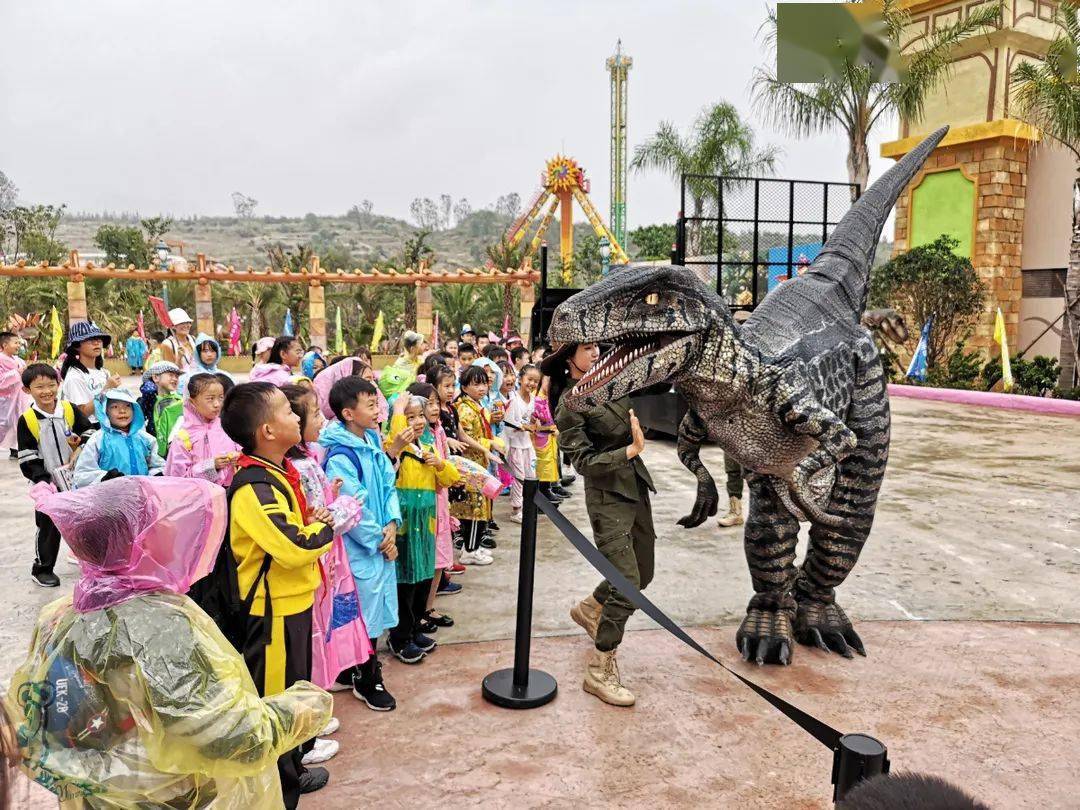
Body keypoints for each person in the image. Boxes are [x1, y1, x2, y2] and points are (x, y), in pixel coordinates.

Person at [4, 476, 332, 809]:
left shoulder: (58, 617)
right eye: (158, 524)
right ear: (139, 544)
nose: (173, 531)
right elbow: (230, 737)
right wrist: (303, 706)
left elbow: (41, 728)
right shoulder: (159, 627)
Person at [219, 382, 336, 804]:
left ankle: (292, 769)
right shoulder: (255, 486)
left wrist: (312, 524)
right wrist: (326, 525)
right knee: (274, 703)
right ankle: (279, 791)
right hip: (272, 615)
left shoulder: (276, 471)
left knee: (291, 692)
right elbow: (295, 546)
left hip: (291, 605)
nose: (298, 416)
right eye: (289, 410)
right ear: (267, 430)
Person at [544, 341, 656, 708]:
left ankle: (592, 608)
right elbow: (584, 462)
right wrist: (629, 450)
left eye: (597, 347)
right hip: (608, 500)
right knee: (628, 585)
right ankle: (600, 668)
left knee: (645, 573)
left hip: (635, 488)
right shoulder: (569, 405)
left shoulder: (609, 384)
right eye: (588, 348)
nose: (596, 353)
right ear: (568, 356)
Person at [280, 384, 367, 765]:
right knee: (312, 642)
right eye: (314, 415)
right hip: (317, 563)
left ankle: (313, 714)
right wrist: (346, 505)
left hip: (325, 563)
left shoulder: (308, 460)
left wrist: (331, 500)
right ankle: (306, 735)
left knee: (324, 634)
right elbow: (320, 521)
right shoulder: (295, 468)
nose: (321, 420)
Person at [320, 376, 405, 709]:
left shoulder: (372, 441)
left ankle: (351, 670)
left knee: (371, 610)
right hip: (360, 549)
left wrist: (393, 525)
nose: (377, 409)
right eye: (370, 404)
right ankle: (368, 679)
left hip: (381, 542)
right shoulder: (341, 456)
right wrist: (380, 539)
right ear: (348, 413)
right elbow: (351, 506)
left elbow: (387, 487)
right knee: (362, 616)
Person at [386, 393, 459, 663]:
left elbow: (450, 477)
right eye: (410, 416)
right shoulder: (395, 447)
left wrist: (439, 463)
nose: (417, 422)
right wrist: (397, 411)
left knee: (423, 578)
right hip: (405, 523)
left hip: (426, 521)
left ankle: (416, 628)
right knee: (404, 581)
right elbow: (394, 445)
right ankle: (400, 636)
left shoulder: (429, 444)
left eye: (419, 416)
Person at [16, 363, 93, 587]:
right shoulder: (28, 420)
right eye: (39, 387)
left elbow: (89, 431)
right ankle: (42, 568)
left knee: (84, 521)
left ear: (59, 384)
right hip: (47, 483)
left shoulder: (68, 410)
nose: (47, 391)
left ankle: (91, 561)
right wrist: (42, 479)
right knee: (48, 526)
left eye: (51, 385)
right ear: (27, 390)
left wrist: (80, 447)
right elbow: (27, 456)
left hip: (75, 479)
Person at [452, 365, 500, 566]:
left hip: (480, 462)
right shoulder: (464, 409)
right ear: (464, 387)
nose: (482, 388)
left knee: (480, 505)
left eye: (484, 383)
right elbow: (468, 438)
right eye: (476, 384)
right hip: (471, 466)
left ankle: (475, 546)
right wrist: (489, 444)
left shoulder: (476, 406)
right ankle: (469, 550)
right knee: (473, 507)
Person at [73, 388, 165, 488]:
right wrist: (104, 477)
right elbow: (82, 474)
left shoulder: (146, 439)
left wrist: (156, 475)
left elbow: (159, 465)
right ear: (105, 411)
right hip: (109, 497)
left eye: (128, 406)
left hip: (143, 494)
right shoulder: (98, 440)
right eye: (115, 407)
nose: (122, 411)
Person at [165, 373, 240, 486]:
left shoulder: (228, 427)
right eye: (210, 399)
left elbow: (246, 453)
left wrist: (239, 458)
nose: (217, 404)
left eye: (221, 397)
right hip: (200, 499)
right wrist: (211, 466)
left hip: (230, 494)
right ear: (192, 402)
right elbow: (177, 480)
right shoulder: (184, 438)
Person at [59, 321, 120, 427]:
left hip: (107, 425)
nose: (97, 342)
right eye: (90, 339)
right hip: (89, 429)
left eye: (99, 339)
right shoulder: (75, 376)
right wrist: (106, 389)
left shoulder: (104, 373)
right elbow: (81, 413)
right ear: (77, 346)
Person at [503, 363, 540, 524]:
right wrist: (524, 426)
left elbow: (532, 420)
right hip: (514, 445)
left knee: (531, 475)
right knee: (519, 477)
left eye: (535, 381)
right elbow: (509, 424)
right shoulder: (513, 399)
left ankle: (529, 506)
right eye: (529, 379)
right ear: (521, 378)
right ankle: (516, 509)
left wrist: (535, 424)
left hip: (527, 444)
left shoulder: (533, 399)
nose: (531, 384)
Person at [0, 331, 30, 459]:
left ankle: (16, 449)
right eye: (15, 343)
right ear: (5, 344)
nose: (18, 345)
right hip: (6, 399)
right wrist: (16, 373)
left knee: (20, 422)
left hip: (21, 397)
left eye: (19, 343)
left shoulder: (19, 360)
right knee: (5, 423)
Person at [149, 361, 183, 457]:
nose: (175, 379)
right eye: (171, 375)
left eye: (177, 376)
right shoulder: (149, 402)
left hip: (177, 448)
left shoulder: (181, 400)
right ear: (156, 377)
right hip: (156, 452)